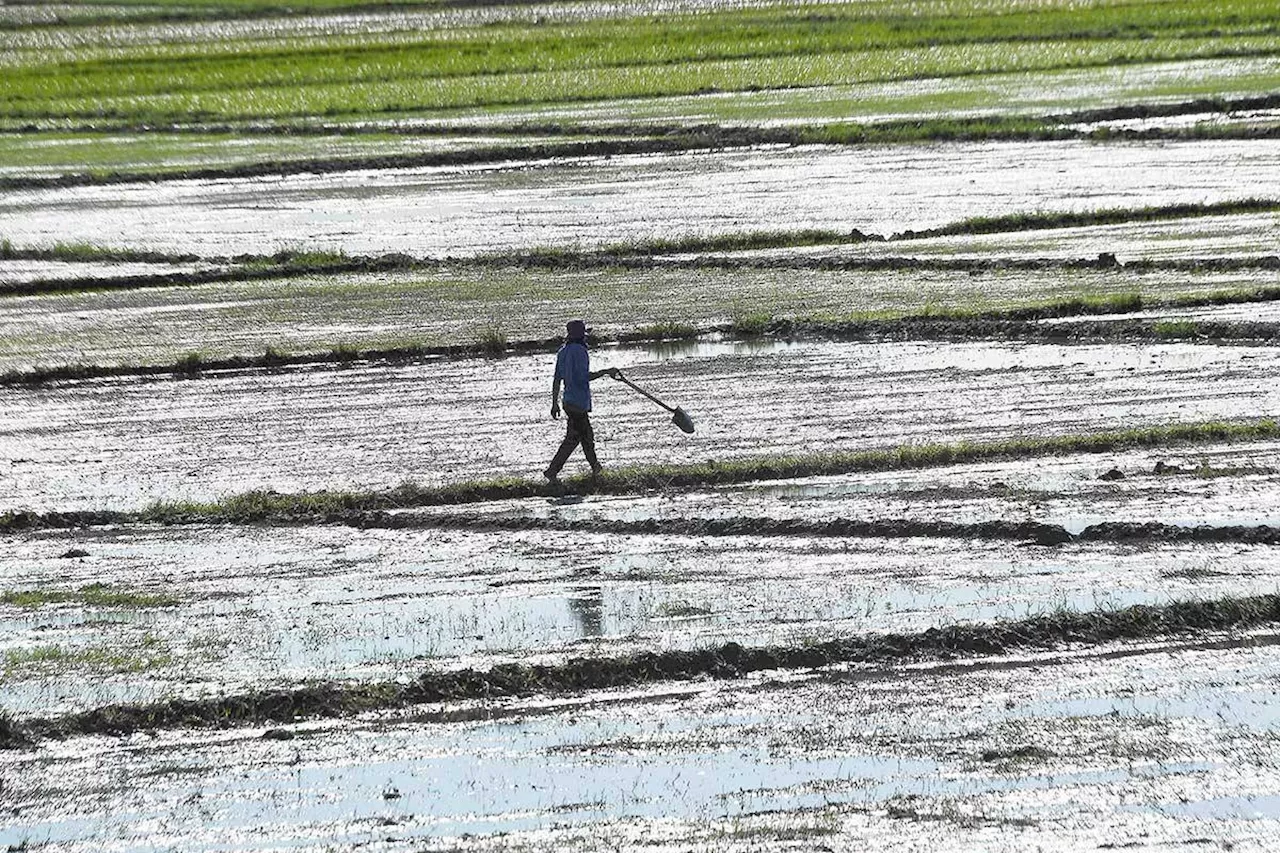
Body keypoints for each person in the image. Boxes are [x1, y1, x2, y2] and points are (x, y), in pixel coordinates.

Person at [545, 319, 618, 482]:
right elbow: (584, 376)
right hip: (579, 402)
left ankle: (596, 469)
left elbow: (557, 379)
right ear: (581, 336)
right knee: (574, 439)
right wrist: (606, 371)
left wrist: (554, 403)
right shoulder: (581, 352)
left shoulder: (562, 352)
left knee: (585, 437)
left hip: (568, 401)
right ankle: (552, 471)